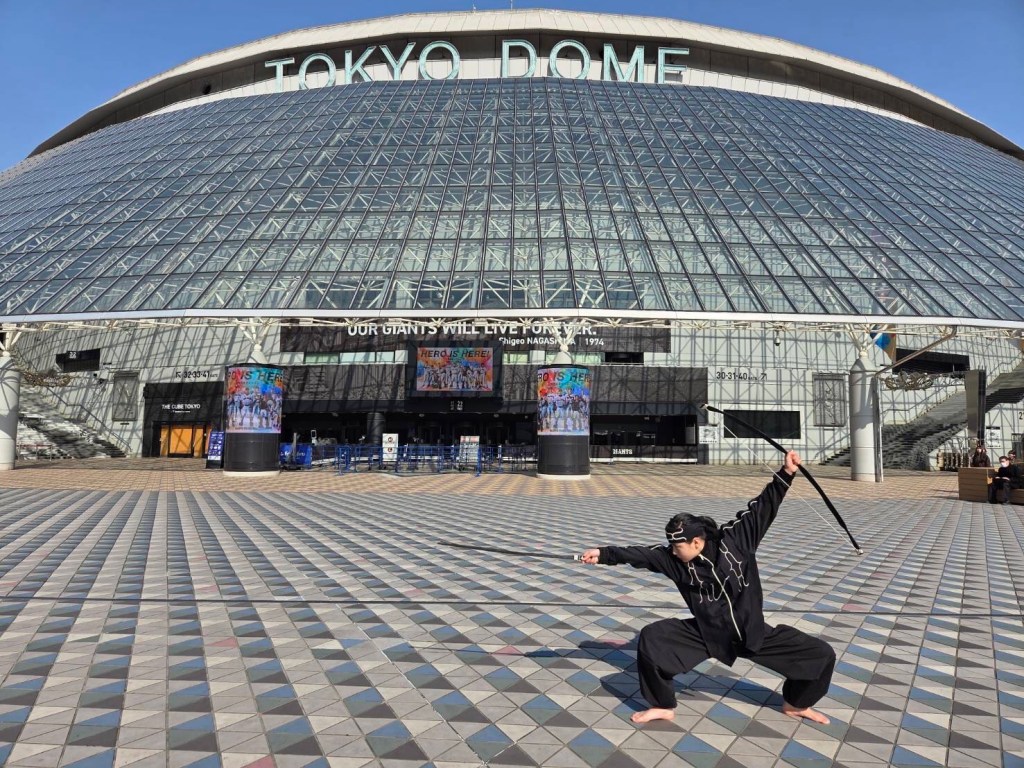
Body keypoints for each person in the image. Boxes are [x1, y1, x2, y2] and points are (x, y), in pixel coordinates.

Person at [581, 450, 835, 725]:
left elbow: (764, 506)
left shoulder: (736, 540)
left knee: (821, 655)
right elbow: (640, 554)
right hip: (707, 634)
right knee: (653, 638)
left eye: (678, 546)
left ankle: (796, 703)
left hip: (753, 633)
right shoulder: (672, 560)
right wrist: (603, 554)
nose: (673, 551)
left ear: (696, 542)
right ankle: (662, 705)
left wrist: (786, 473)